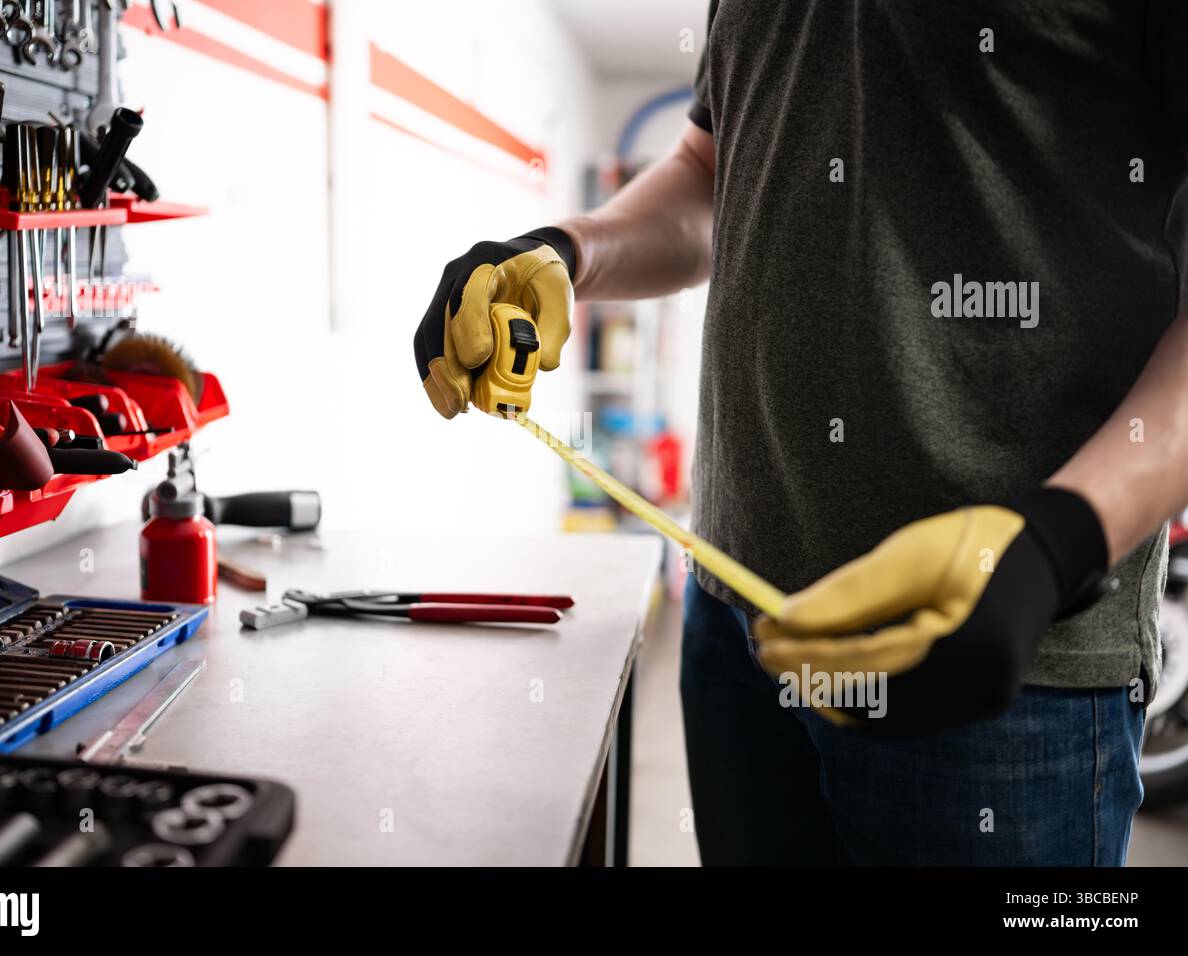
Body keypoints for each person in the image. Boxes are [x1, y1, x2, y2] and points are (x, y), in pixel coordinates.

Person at [412, 2, 1188, 865]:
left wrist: (1055, 548)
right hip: (732, 618)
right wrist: (566, 247)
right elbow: (711, 174)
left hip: (1004, 673)